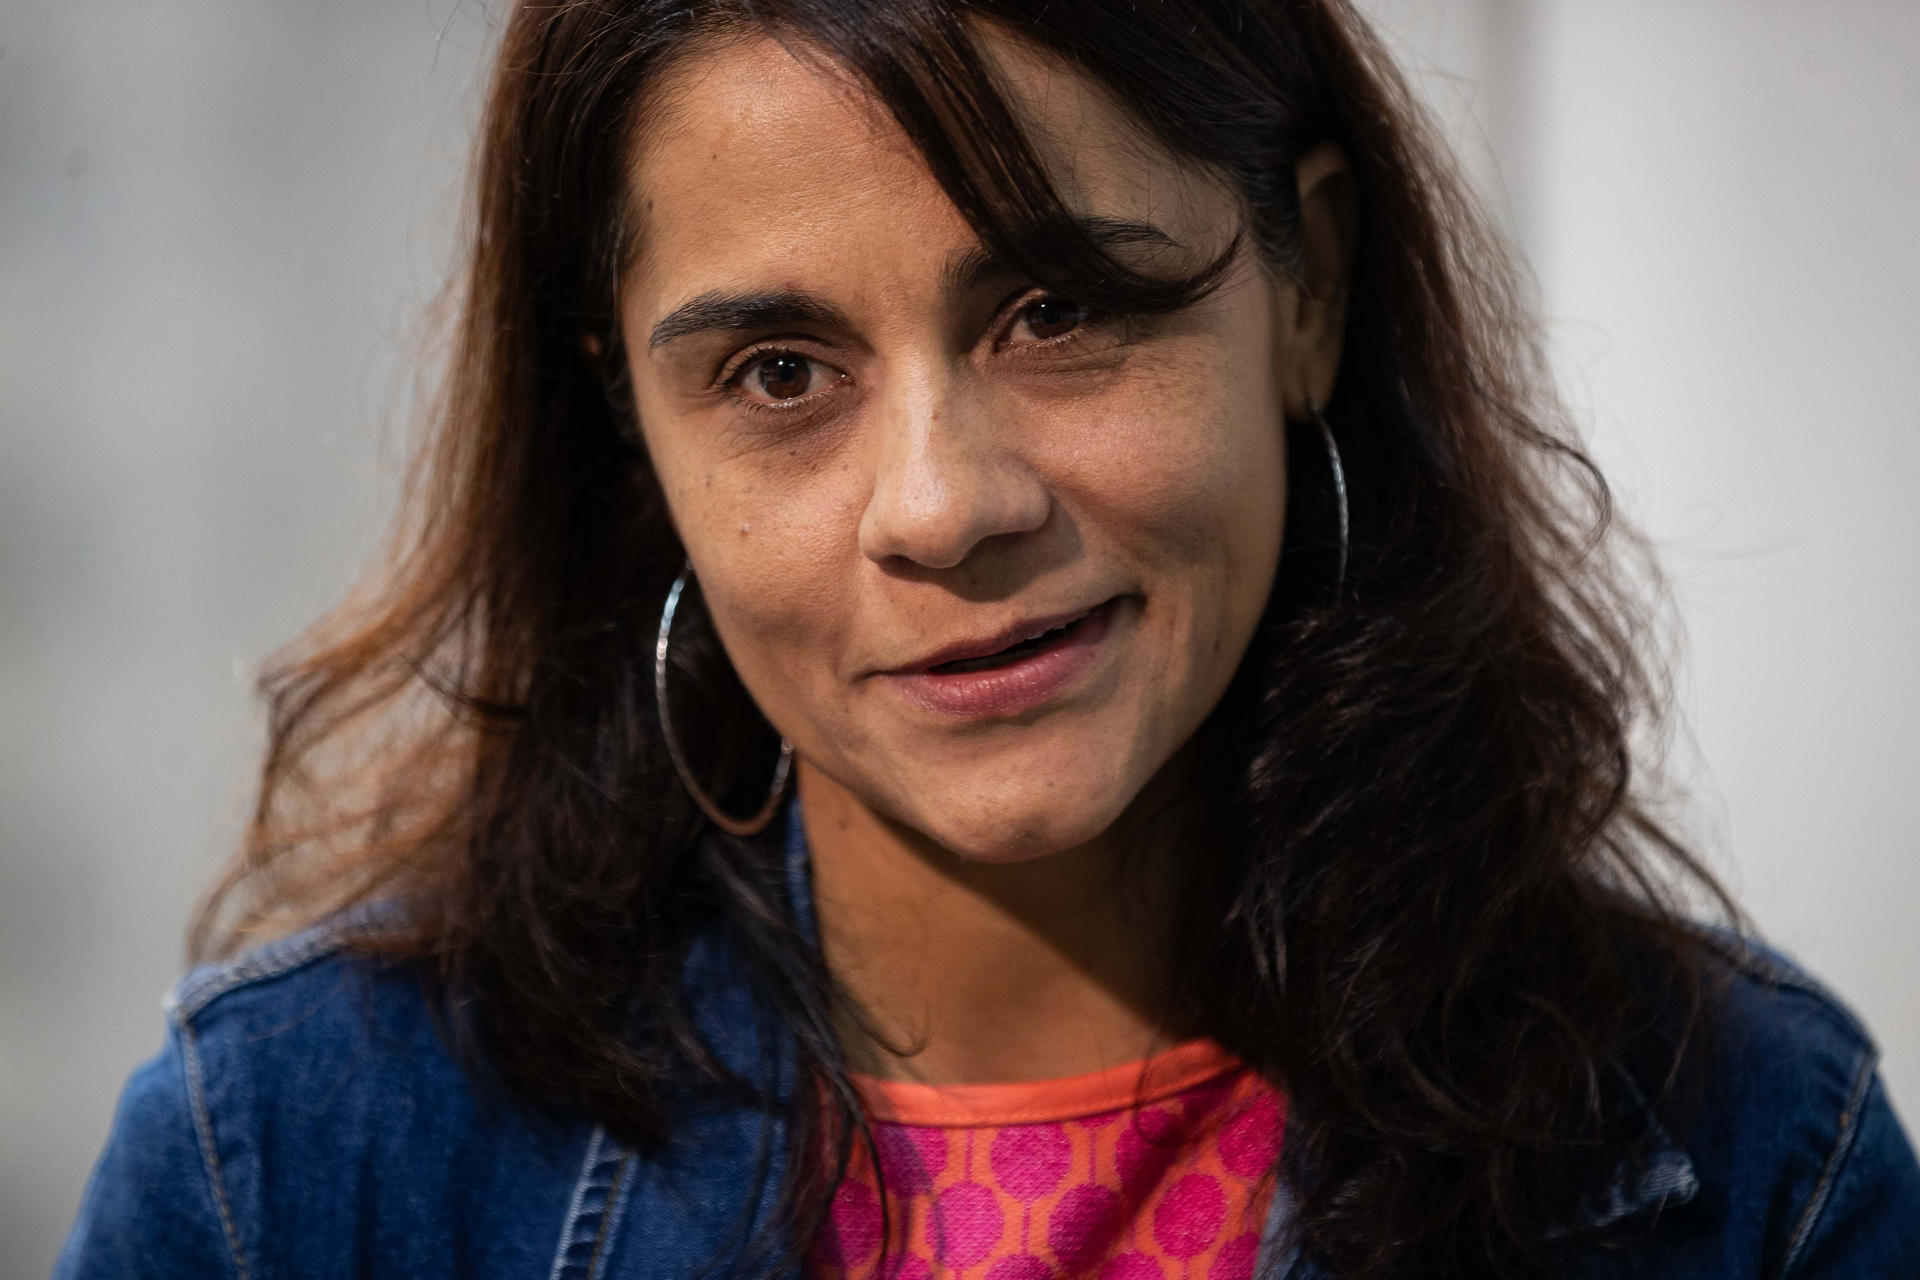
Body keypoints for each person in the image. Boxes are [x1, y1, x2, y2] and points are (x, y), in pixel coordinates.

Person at [54, 1, 1920, 1277]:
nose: (943, 505)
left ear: (1310, 288)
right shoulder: (294, 1168)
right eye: (779, 373)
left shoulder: (1738, 1154)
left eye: (1058, 310)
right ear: (631, 417)